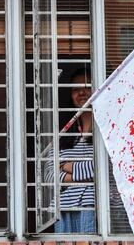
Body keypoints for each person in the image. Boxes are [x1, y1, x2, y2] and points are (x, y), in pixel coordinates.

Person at [45, 68, 96, 233]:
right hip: (65, 209)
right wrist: (88, 177)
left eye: (87, 86)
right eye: (75, 89)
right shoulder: (63, 134)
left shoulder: (109, 130)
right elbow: (49, 176)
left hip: (97, 208)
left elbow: (106, 170)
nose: (81, 92)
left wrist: (66, 166)